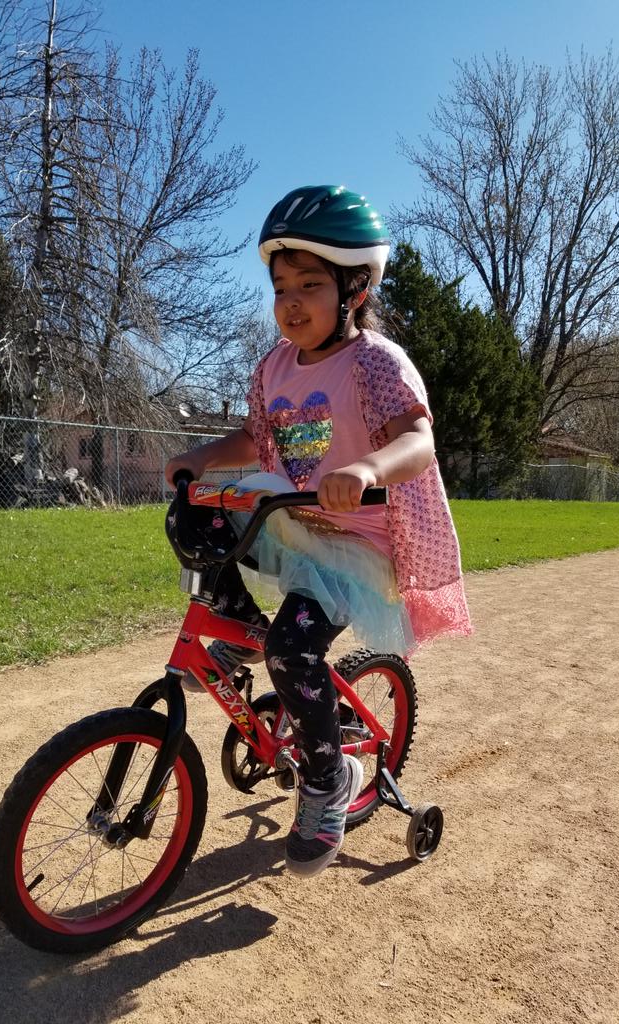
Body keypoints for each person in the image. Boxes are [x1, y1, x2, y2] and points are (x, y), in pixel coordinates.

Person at [165, 184, 471, 878]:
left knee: (294, 648)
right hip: (296, 517)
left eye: (310, 284)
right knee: (194, 509)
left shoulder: (375, 363)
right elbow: (251, 439)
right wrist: (198, 460)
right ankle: (229, 620)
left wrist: (367, 467)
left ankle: (329, 779)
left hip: (358, 545)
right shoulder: (272, 368)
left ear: (354, 289)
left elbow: (419, 440)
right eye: (280, 287)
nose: (292, 302)